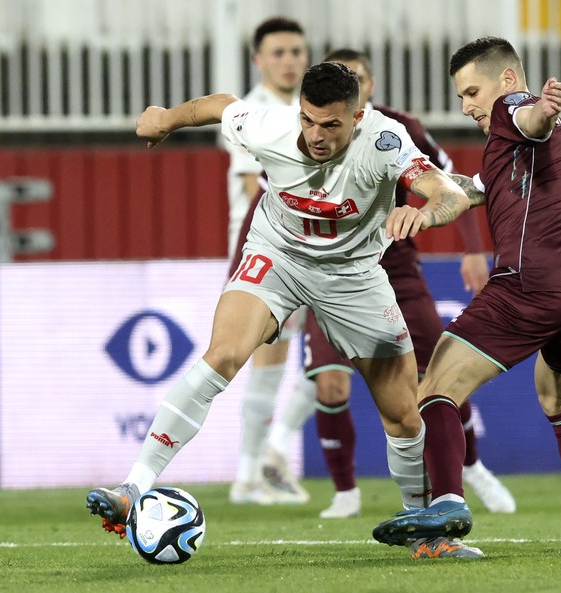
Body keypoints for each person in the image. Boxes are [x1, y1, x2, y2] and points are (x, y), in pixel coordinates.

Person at [86, 62, 480, 560]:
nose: (316, 135)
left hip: (354, 277)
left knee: (402, 415)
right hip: (278, 256)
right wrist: (165, 118)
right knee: (223, 356)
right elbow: (216, 105)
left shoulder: (384, 141)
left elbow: (447, 192)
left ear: (357, 117)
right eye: (309, 120)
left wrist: (422, 212)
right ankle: (134, 487)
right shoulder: (270, 126)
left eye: (332, 125)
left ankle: (426, 535)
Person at [371, 36, 561, 559]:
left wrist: (542, 110)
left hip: (530, 282)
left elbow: (531, 118)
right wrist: (425, 213)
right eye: (461, 97)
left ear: (507, 80)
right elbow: (465, 193)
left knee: (435, 388)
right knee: (559, 400)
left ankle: (446, 502)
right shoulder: (518, 152)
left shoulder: (514, 113)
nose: (467, 106)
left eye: (472, 91)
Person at [257, 48, 516, 520]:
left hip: (397, 270)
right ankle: (346, 492)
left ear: (368, 90)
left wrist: (474, 248)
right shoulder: (302, 134)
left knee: (441, 375)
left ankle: (472, 468)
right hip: (329, 275)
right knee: (328, 384)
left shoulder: (398, 130)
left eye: (357, 79)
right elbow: (274, 201)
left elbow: (451, 183)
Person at [223, 17, 313, 506]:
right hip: (271, 250)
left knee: (338, 355)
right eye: (277, 52)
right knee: (265, 358)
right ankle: (249, 473)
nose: (289, 61)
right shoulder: (249, 113)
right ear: (258, 60)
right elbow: (250, 186)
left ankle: (268, 457)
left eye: (296, 51)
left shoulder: (314, 110)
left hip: (319, 248)